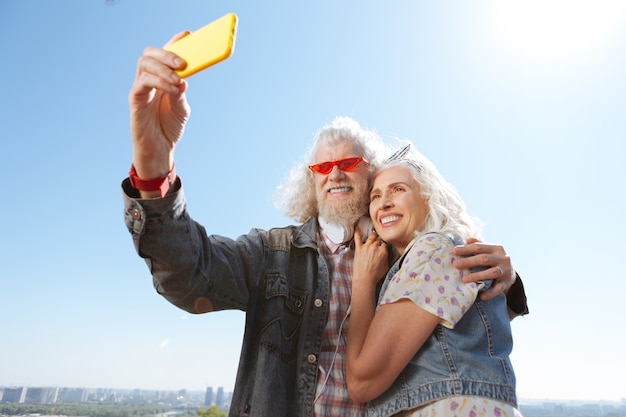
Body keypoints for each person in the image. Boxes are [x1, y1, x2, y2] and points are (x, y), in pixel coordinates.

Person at [122, 32, 528, 417]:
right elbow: (188, 275)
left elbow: (463, 337)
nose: (335, 174)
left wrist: (504, 280)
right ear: (311, 181)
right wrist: (153, 168)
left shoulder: (408, 254)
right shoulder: (272, 254)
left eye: (349, 164)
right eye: (322, 166)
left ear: (373, 175)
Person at [346, 144, 523, 416]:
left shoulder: (432, 251)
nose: (384, 203)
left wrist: (362, 281)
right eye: (376, 195)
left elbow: (361, 382)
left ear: (429, 196)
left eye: (399, 189)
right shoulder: (429, 258)